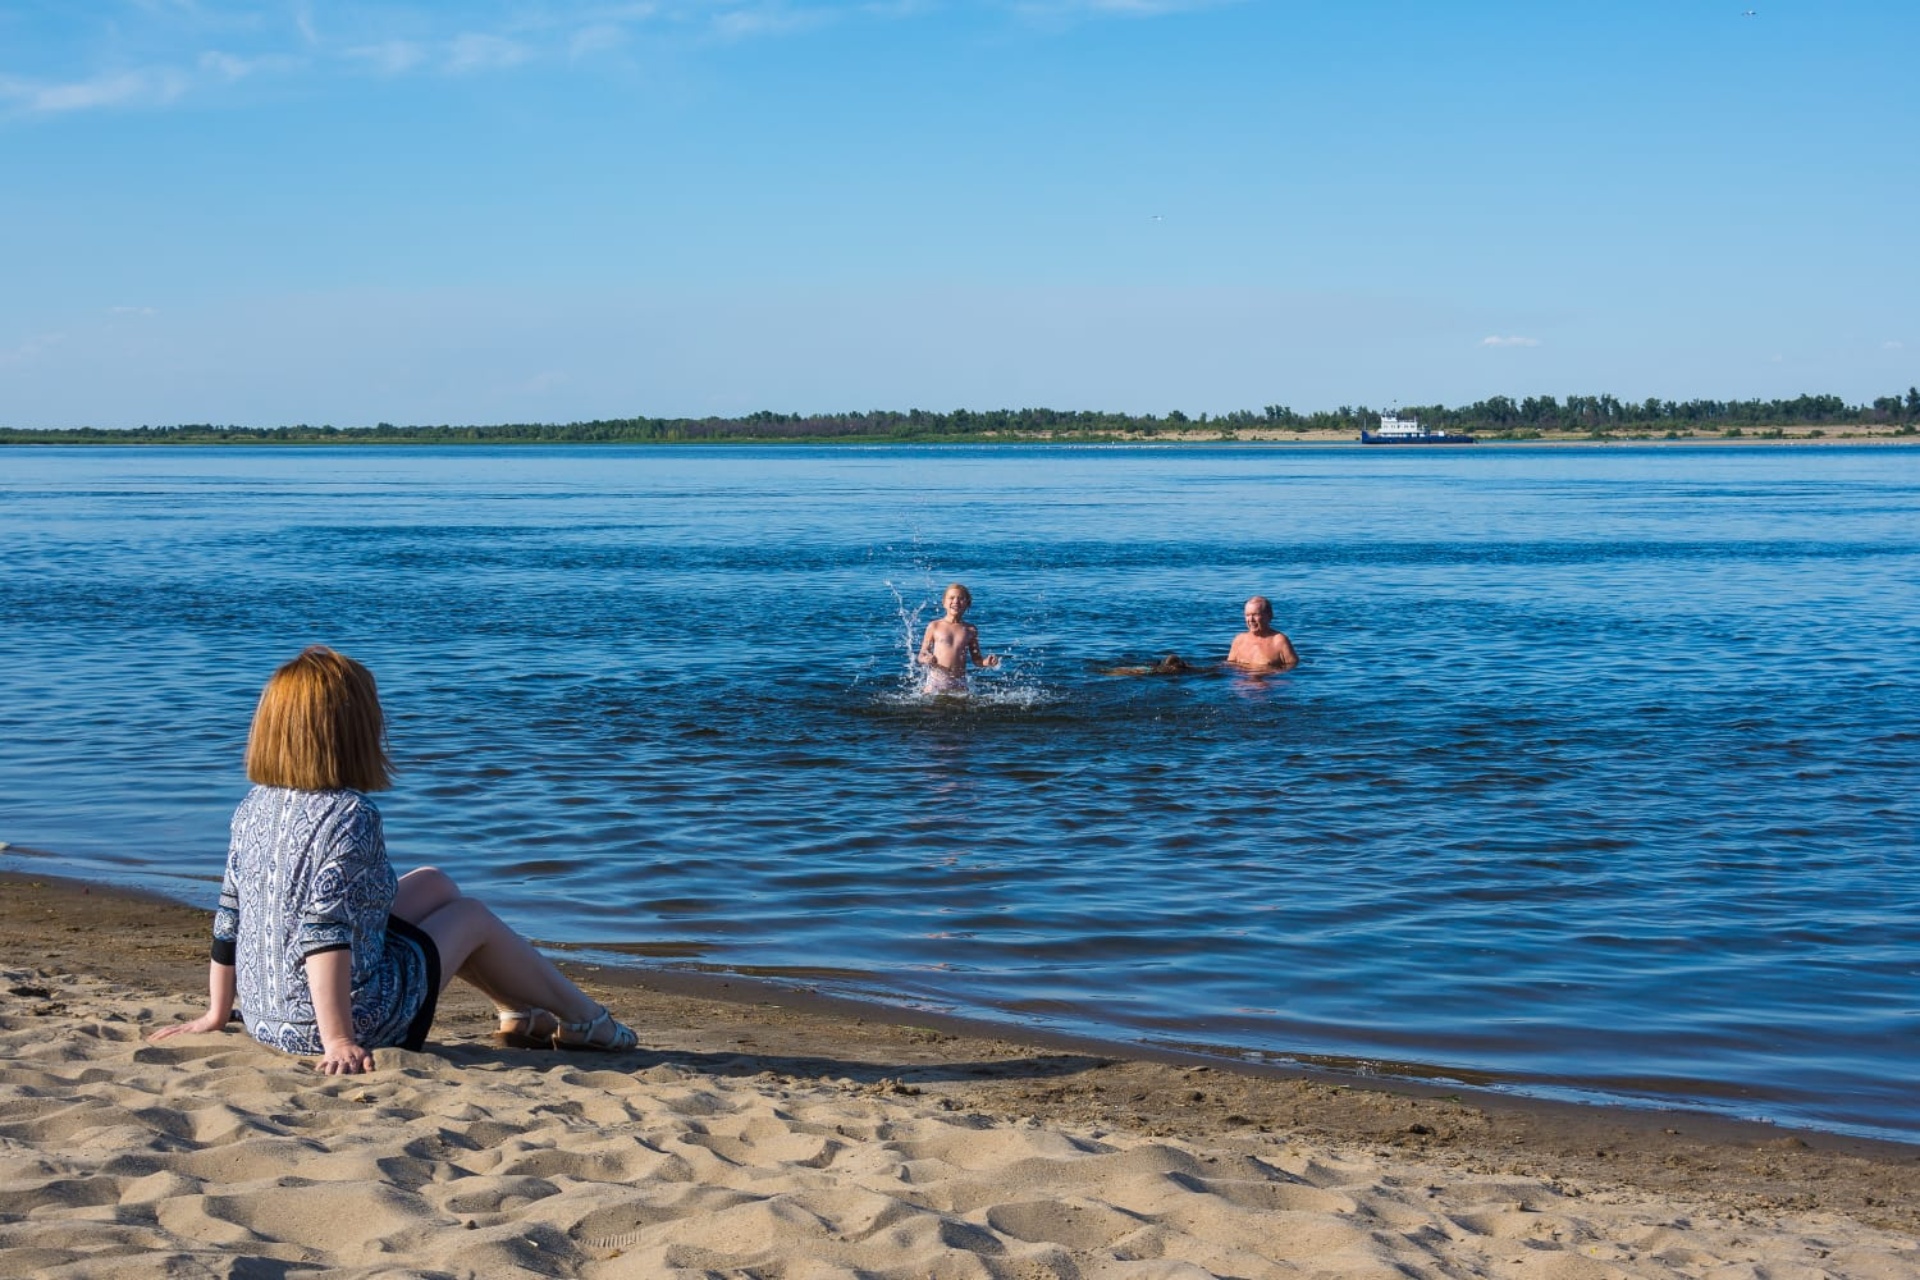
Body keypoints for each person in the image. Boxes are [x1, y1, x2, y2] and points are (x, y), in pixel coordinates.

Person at [148, 645, 636, 1074]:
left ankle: (519, 1014)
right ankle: (584, 1020)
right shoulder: (350, 816)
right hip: (336, 1022)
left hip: (264, 1015)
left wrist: (217, 1013)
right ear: (352, 732)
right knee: (471, 917)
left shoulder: (253, 805)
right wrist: (339, 1039)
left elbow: (229, 915)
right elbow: (325, 933)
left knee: (436, 884)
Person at [917, 582, 1000, 693]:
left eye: (961, 598)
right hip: (935, 682)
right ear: (944, 602)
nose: (956, 601)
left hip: (959, 683)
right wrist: (926, 658)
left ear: (967, 604)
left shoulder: (970, 630)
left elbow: (977, 660)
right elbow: (922, 654)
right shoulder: (934, 626)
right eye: (951, 598)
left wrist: (986, 663)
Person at [1227, 596, 1299, 670]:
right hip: (1242, 680)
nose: (1251, 619)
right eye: (1247, 615)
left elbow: (1293, 669)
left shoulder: (1279, 641)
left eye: (1255, 614)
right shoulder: (1239, 641)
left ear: (1269, 616)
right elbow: (1229, 666)